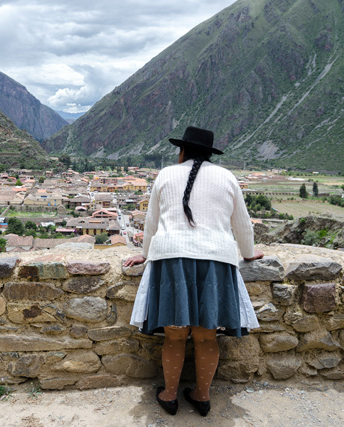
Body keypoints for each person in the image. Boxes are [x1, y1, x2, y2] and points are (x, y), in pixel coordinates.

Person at [123, 126, 263, 417]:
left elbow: (151, 223)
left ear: (182, 150)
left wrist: (145, 254)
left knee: (174, 336)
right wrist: (248, 254)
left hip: (171, 261)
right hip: (216, 262)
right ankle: (201, 396)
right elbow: (242, 225)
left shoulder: (165, 175)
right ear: (210, 154)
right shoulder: (227, 178)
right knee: (206, 337)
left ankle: (170, 395)